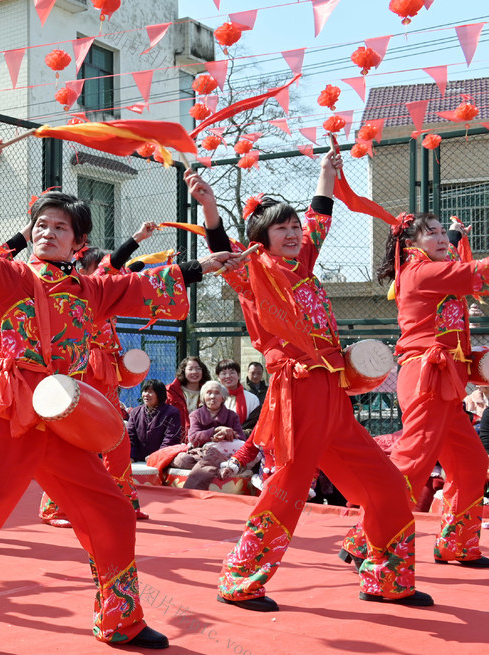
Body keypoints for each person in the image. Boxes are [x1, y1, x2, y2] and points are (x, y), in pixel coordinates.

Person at [0, 181, 243, 654]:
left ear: (78, 243)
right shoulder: (12, 277)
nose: (48, 231)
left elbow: (143, 285)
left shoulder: (92, 291)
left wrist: (201, 265)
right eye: (42, 224)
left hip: (65, 421)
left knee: (113, 513)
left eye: (60, 226)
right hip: (13, 416)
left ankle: (120, 620)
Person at [188, 145, 433, 611]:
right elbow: (224, 252)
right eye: (281, 227)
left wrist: (326, 173)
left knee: (385, 486)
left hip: (333, 396)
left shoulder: (303, 268)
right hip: (296, 395)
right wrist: (210, 209)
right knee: (286, 491)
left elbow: (320, 216)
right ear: (261, 238)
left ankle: (388, 579)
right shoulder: (254, 273)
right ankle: (239, 579)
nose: (294, 233)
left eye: (294, 226)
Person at [339, 213, 489, 569]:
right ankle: (364, 539)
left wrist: (453, 233)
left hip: (445, 381)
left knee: (471, 464)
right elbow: (476, 273)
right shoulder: (421, 273)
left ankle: (457, 543)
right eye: (431, 234)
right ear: (411, 245)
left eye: (442, 232)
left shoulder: (436, 267)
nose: (441, 239)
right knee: (412, 464)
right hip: (426, 378)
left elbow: (454, 256)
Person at [38, 223, 159, 527]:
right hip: (85, 369)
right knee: (77, 441)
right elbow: (114, 262)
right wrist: (138, 238)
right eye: (104, 266)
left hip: (106, 371)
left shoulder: (107, 295)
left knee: (117, 439)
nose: (112, 271)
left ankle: (123, 502)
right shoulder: (89, 286)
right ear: (89, 266)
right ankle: (54, 507)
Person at [128, 379, 182, 461]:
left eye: (150, 392)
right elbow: (130, 437)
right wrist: (132, 456)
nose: (146, 395)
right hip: (139, 458)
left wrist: (157, 456)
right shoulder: (135, 412)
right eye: (144, 391)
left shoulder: (172, 413)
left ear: (159, 394)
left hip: (163, 459)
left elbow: (170, 438)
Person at [166, 355, 211, 436]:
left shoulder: (210, 392)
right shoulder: (170, 392)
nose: (194, 372)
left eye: (198, 368)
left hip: (202, 437)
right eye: (190, 369)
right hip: (175, 436)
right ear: (183, 371)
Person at [216, 358, 259, 423]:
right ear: (218, 377)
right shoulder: (212, 398)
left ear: (238, 375)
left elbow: (254, 424)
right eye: (224, 373)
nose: (228, 376)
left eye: (232, 372)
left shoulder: (252, 399)